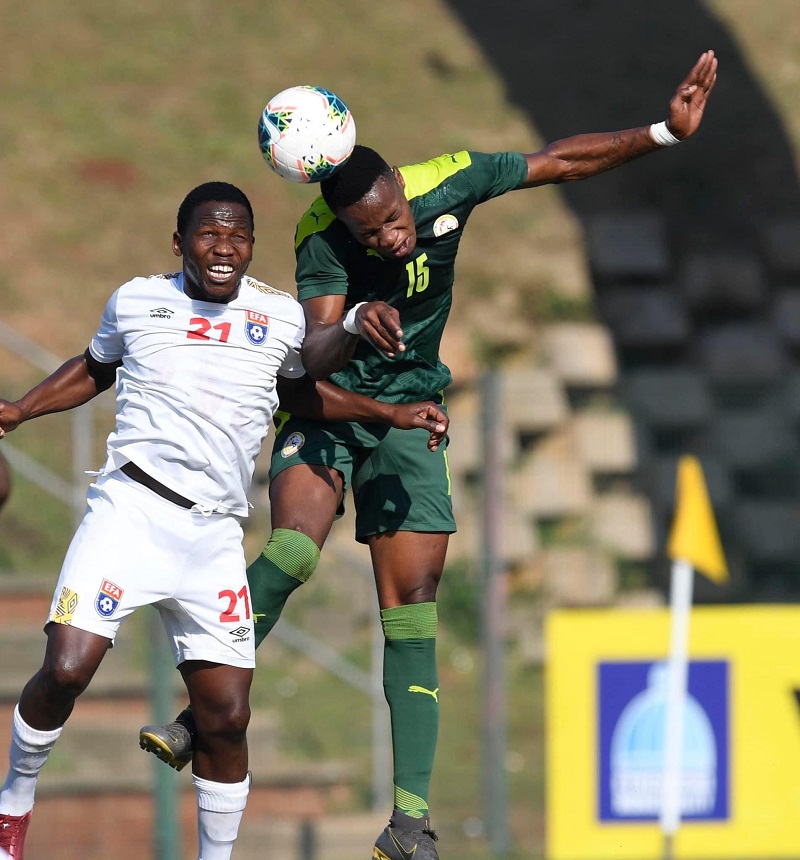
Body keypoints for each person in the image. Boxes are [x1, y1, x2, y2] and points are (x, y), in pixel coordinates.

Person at [141, 50, 718, 860]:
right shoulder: (320, 240)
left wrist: (662, 130)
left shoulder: (449, 180)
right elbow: (310, 358)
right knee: (295, 546)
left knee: (411, 604)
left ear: (406, 192)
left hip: (412, 414)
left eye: (394, 218)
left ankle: (409, 822)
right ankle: (193, 716)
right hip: (335, 408)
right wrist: (351, 325)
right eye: (372, 231)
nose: (391, 233)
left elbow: (559, 162)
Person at [0, 181, 448, 860]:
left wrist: (388, 412)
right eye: (210, 234)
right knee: (67, 667)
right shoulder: (137, 300)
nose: (225, 248)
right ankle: (13, 805)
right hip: (130, 511)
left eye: (238, 235)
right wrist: (22, 409)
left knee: (227, 718)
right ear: (179, 243)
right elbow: (94, 369)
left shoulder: (278, 317)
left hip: (212, 535)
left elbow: (306, 392)